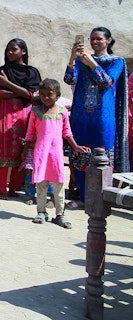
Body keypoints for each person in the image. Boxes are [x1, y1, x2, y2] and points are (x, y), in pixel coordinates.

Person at [64, 27, 129, 209]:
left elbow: (106, 82)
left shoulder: (117, 62)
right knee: (80, 158)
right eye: (92, 39)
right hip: (81, 117)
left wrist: (92, 63)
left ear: (108, 41)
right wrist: (72, 59)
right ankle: (84, 198)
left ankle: (100, 200)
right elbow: (69, 79)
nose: (94, 42)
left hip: (103, 118)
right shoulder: (81, 60)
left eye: (99, 39)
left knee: (101, 159)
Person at [23, 79, 89, 229]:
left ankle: (60, 215)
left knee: (58, 184)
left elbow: (67, 132)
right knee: (41, 184)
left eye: (50, 94)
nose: (46, 97)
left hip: (56, 155)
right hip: (41, 154)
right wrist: (26, 147)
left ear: (58, 96)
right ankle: (41, 211)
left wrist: (76, 146)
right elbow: (30, 132)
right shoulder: (36, 112)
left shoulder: (62, 111)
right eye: (43, 94)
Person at [0, 38, 41, 200]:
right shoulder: (3, 69)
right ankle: (0, 189)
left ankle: (14, 188)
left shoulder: (31, 72)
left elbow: (32, 95)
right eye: (8, 50)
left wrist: (7, 83)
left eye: (14, 49)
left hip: (25, 115)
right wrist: (20, 92)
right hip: (5, 114)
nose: (10, 53)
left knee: (22, 150)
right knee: (2, 150)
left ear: (23, 52)